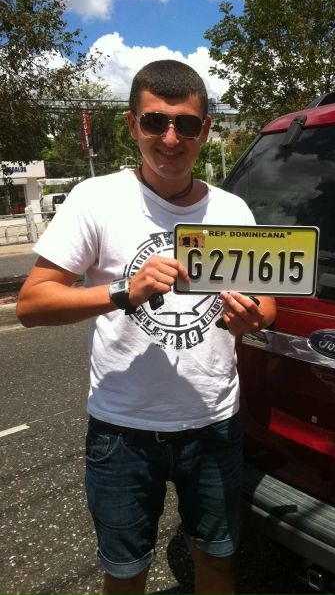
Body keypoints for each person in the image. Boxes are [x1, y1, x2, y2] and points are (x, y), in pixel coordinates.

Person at [16, 59, 276, 595]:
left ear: (205, 130)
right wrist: (123, 291)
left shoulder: (231, 209)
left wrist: (254, 318)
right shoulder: (96, 199)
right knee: (124, 570)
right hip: (122, 430)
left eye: (186, 124)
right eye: (156, 122)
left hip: (213, 424)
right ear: (133, 124)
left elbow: (265, 305)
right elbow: (32, 304)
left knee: (218, 561)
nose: (171, 138)